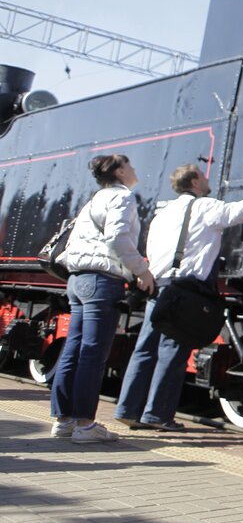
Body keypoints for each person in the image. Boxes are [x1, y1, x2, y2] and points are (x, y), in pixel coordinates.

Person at [113, 164, 243, 431]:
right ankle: (157, 416)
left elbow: (149, 248)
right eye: (204, 175)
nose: (208, 179)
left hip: (159, 286)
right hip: (184, 291)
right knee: (172, 353)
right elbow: (237, 212)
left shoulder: (162, 214)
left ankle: (127, 409)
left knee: (144, 350)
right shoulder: (204, 207)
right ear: (195, 181)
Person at [51, 153, 155, 443]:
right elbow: (116, 238)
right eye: (130, 165)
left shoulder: (94, 200)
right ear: (120, 172)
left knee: (73, 349)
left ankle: (64, 420)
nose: (134, 169)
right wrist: (142, 270)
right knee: (93, 353)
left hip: (78, 279)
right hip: (101, 280)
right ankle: (85, 425)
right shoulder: (122, 198)